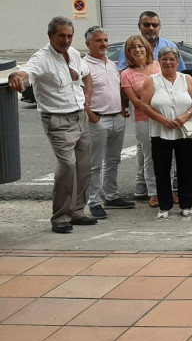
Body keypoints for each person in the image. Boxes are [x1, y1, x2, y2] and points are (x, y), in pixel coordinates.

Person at [8, 17, 95, 233]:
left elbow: (85, 74)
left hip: (80, 116)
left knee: (83, 166)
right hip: (58, 120)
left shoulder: (74, 53)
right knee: (68, 166)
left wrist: (88, 96)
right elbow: (25, 73)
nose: (66, 40)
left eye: (69, 36)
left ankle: (77, 211)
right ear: (50, 36)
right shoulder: (41, 58)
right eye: (61, 36)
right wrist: (14, 76)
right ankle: (60, 217)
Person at [140, 46, 192, 219]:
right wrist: (163, 119)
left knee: (186, 168)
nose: (168, 62)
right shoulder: (151, 80)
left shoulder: (187, 78)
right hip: (160, 131)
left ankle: (186, 204)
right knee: (161, 169)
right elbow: (144, 105)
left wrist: (185, 116)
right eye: (164, 59)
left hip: (184, 130)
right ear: (159, 61)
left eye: (172, 59)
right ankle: (164, 206)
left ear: (177, 61)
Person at [83, 26, 134, 219]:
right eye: (98, 40)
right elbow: (80, 94)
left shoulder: (111, 64)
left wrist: (122, 109)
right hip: (97, 120)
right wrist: (92, 116)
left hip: (117, 118)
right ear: (88, 43)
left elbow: (118, 90)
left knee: (113, 160)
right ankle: (94, 201)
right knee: (95, 164)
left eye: (105, 40)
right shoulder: (83, 66)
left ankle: (111, 196)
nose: (104, 44)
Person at [119, 35, 160, 206]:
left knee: (168, 154)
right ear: (128, 53)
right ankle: (154, 193)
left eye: (140, 46)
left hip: (166, 118)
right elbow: (136, 102)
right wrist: (155, 111)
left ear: (147, 48)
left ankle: (169, 190)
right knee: (150, 155)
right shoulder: (126, 74)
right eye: (133, 48)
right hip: (144, 119)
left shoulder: (158, 65)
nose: (137, 50)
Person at [116, 10, 185, 71]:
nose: (151, 28)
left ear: (159, 27)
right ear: (139, 26)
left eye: (155, 25)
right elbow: (122, 71)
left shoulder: (170, 46)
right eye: (147, 25)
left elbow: (179, 71)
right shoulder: (128, 47)